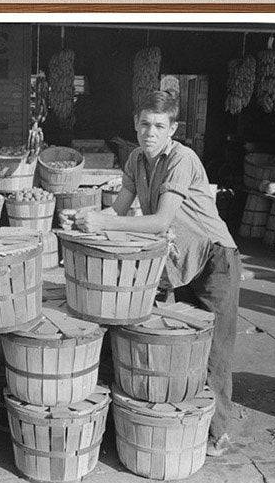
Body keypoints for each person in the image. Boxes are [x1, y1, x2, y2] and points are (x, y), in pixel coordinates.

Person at [75, 89, 242, 456]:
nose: (151, 132)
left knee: (214, 350)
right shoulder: (136, 159)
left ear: (173, 128)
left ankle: (218, 432)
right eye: (145, 124)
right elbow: (119, 209)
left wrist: (102, 223)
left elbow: (162, 219)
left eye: (159, 125)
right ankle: (185, 421)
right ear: (136, 125)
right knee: (184, 345)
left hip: (215, 259)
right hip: (182, 260)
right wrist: (88, 219)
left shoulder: (182, 159)